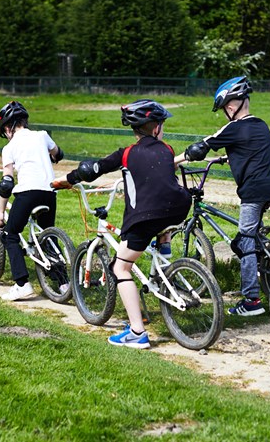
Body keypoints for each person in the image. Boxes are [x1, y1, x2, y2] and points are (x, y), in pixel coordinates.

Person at [54, 100, 191, 349]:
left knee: (121, 267)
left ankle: (137, 331)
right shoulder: (167, 149)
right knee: (163, 219)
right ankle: (164, 252)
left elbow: (92, 169)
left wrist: (66, 180)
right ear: (156, 128)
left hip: (147, 216)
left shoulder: (126, 154)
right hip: (179, 208)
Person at [179, 76, 270, 317]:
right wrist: (227, 158)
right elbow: (252, 149)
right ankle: (268, 260)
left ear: (231, 105)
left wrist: (170, 162)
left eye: (225, 107)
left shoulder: (233, 127)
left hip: (254, 192)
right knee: (249, 237)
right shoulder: (260, 124)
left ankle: (251, 301)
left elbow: (199, 148)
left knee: (244, 242)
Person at [0, 101, 65, 301]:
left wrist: (0, 212)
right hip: (49, 192)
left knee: (10, 234)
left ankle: (22, 284)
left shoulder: (9, 147)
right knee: (48, 234)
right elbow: (58, 153)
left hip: (27, 193)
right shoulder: (42, 135)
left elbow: (7, 184)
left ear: (8, 128)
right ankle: (64, 282)